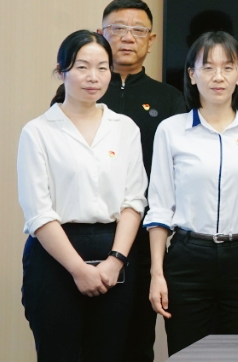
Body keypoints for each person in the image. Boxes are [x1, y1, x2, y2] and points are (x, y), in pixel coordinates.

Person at [18, 30, 147, 362]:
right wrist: (78, 268)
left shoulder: (125, 128)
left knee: (110, 353)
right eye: (82, 67)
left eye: (102, 68)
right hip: (56, 257)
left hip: (113, 254)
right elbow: (39, 212)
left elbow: (134, 201)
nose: (93, 77)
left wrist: (115, 261)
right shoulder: (38, 131)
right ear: (61, 71)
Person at [143, 32, 238, 355]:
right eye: (208, 67)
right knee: (188, 353)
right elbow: (159, 207)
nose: (218, 77)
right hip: (188, 257)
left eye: (228, 68)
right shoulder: (171, 130)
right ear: (192, 74)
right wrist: (157, 273)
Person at [97, 0, 188, 362]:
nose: (127, 37)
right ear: (101, 34)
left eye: (138, 30)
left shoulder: (169, 99)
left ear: (151, 41)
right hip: (89, 232)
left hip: (144, 238)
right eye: (117, 28)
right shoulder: (83, 92)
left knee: (136, 339)